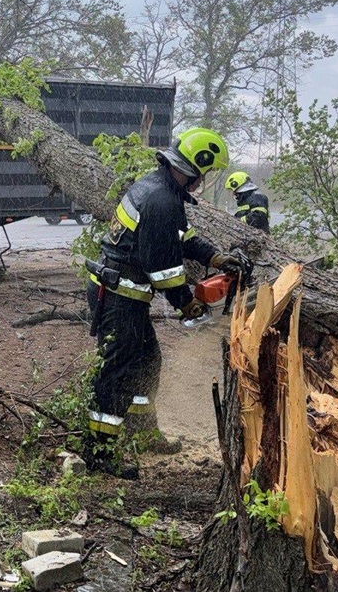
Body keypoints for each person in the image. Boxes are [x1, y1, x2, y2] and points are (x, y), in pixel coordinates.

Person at [85, 128, 242, 476]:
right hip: (118, 295)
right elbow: (163, 270)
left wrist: (214, 257)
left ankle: (142, 434)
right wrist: (187, 304)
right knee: (118, 372)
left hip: (125, 294)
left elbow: (181, 238)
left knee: (147, 362)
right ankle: (98, 452)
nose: (204, 180)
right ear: (196, 166)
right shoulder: (161, 201)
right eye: (206, 172)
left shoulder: (160, 189)